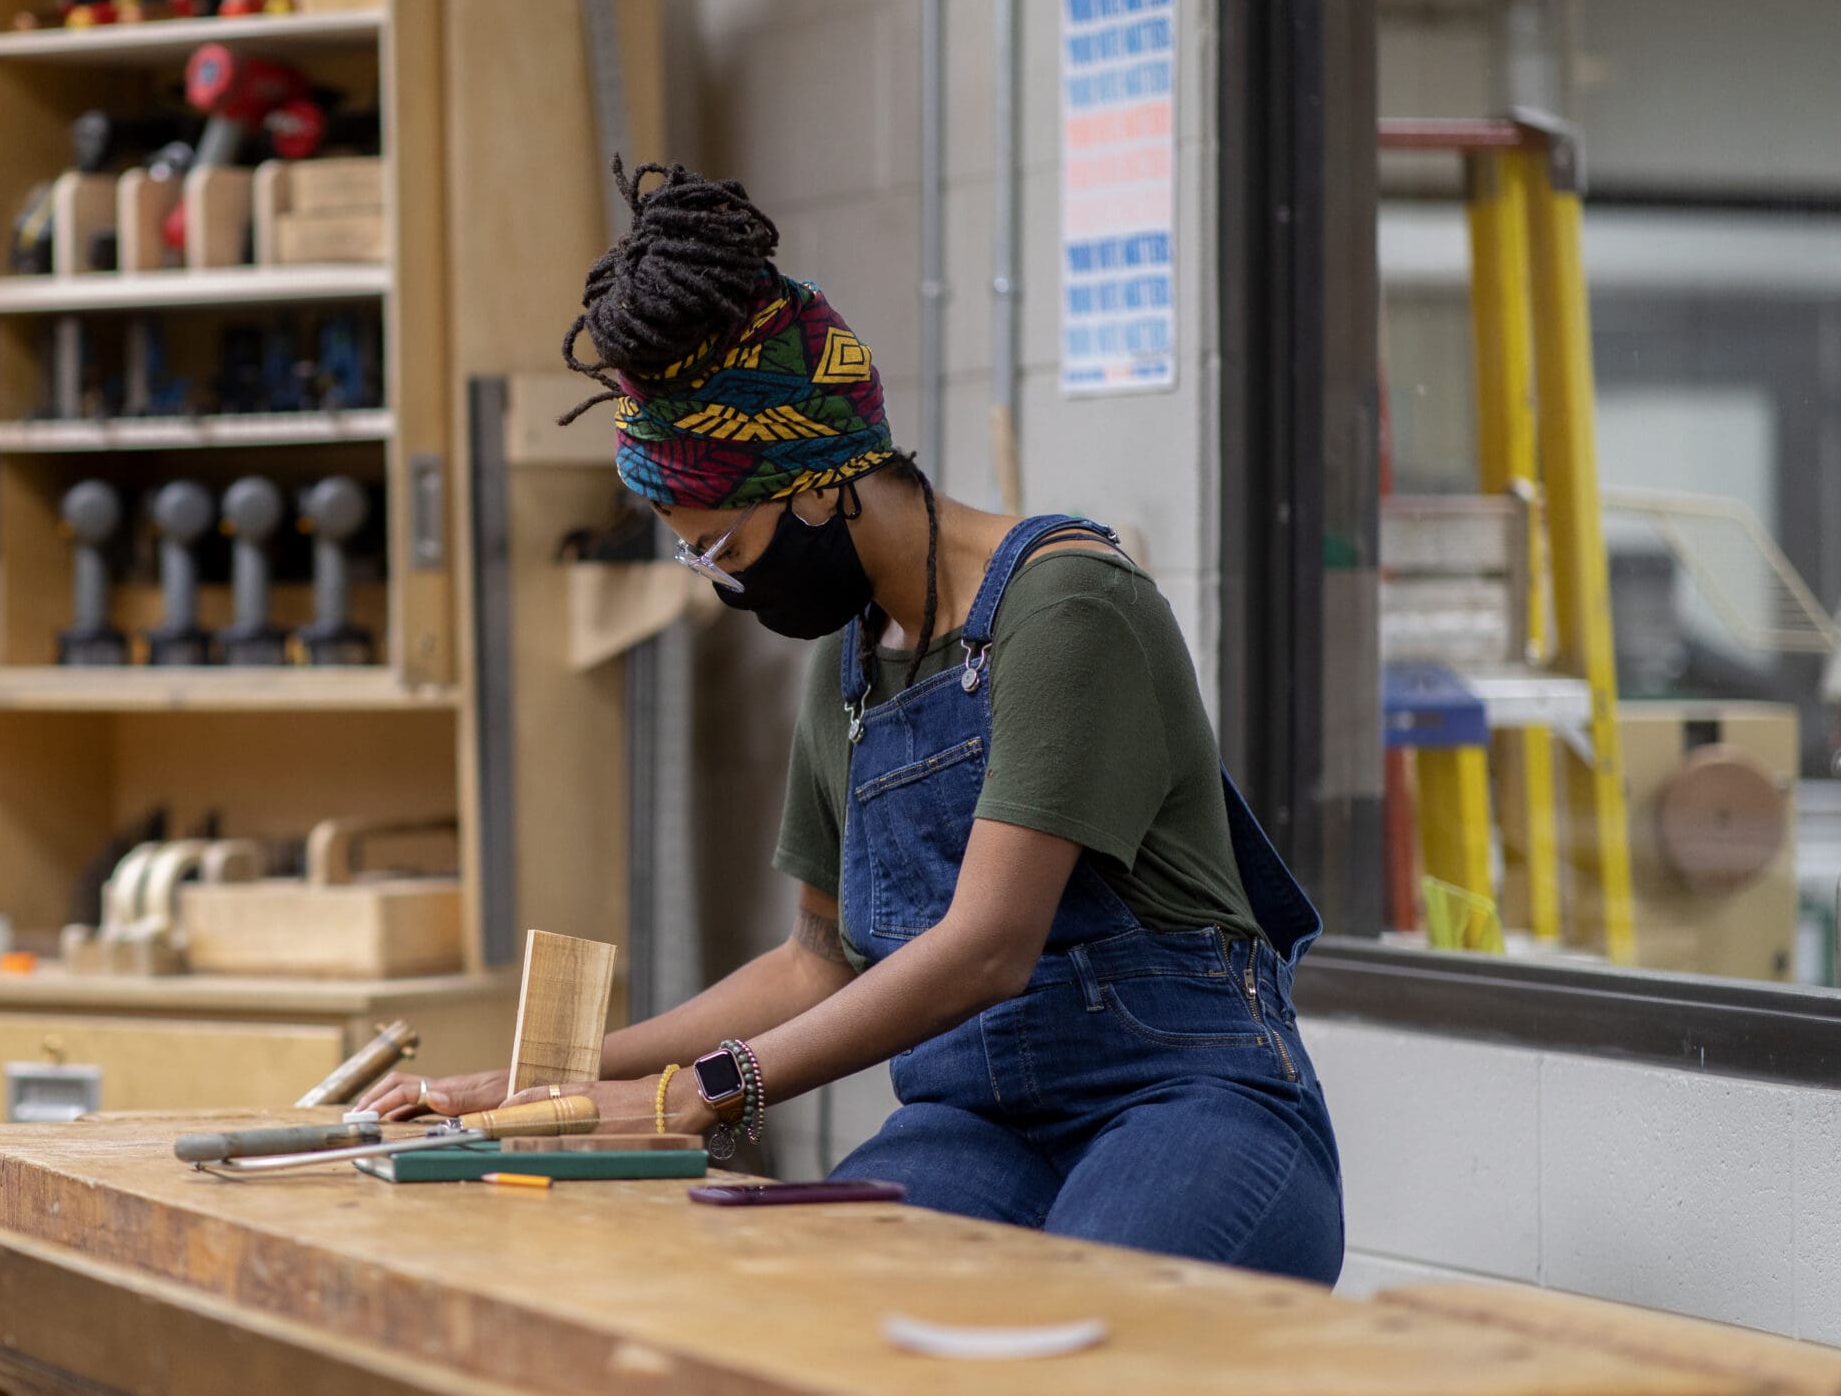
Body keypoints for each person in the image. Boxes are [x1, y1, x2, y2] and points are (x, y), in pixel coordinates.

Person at [361, 162, 1344, 1283]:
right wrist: (564, 1074)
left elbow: (983, 948)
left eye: (723, 545)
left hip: (1180, 1096)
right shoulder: (854, 664)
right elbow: (814, 960)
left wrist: (697, 1091)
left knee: (1090, 1355)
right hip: (976, 1119)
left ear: (819, 479)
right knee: (809, 1312)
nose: (719, 581)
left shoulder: (1066, 606)